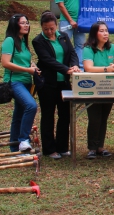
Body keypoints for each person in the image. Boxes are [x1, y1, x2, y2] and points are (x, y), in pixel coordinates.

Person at [32, 12, 80, 160]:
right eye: (46, 29)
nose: (49, 31)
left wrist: (74, 65)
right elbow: (47, 60)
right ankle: (49, 149)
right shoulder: (38, 41)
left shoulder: (63, 37)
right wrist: (66, 69)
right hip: (48, 83)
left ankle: (62, 147)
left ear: (56, 25)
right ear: (42, 27)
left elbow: (72, 53)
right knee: (48, 115)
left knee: (65, 115)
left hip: (64, 83)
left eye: (52, 28)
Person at [1, 14, 39, 153]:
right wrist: (27, 70)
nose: (26, 25)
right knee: (31, 105)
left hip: (27, 81)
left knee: (19, 115)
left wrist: (32, 66)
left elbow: (23, 60)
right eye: (22, 23)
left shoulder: (23, 41)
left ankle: (14, 149)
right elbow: (5, 63)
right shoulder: (10, 40)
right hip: (15, 81)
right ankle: (23, 139)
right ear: (14, 24)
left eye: (27, 23)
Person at [83, 21, 114, 160]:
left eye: (106, 31)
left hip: (109, 87)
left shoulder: (113, 48)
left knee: (104, 117)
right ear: (94, 34)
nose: (105, 34)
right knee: (94, 118)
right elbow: (88, 68)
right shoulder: (88, 49)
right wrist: (106, 69)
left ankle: (100, 147)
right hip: (92, 88)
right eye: (102, 31)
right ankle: (92, 147)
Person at [54, 0, 85, 67]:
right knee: (63, 45)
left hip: (80, 20)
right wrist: (71, 20)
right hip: (66, 21)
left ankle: (79, 67)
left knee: (80, 45)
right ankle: (64, 67)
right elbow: (61, 6)